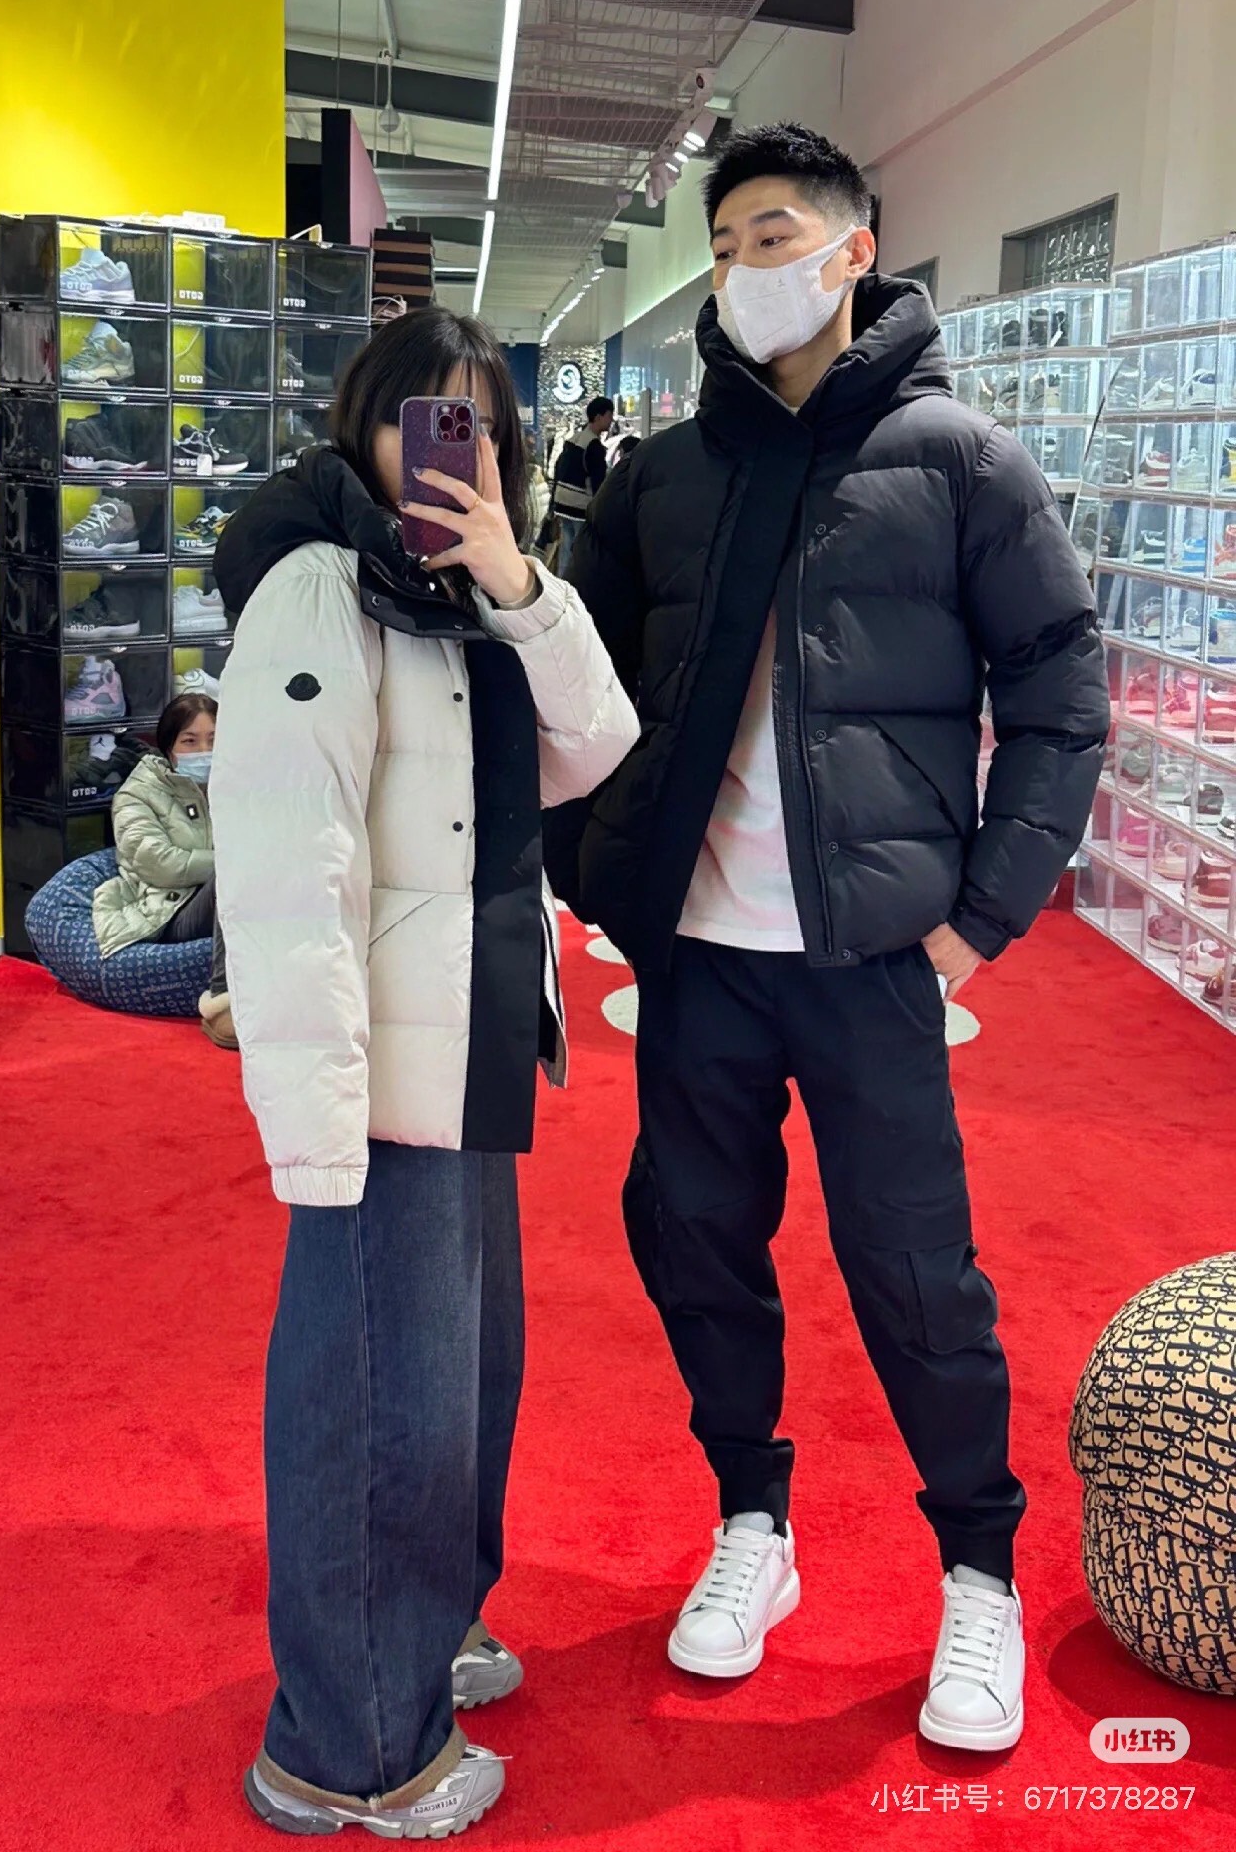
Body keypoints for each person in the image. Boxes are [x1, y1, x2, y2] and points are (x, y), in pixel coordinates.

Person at [545, 122, 1109, 1753]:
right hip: (698, 960)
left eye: (773, 237)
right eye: (725, 247)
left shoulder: (963, 462)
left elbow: (1062, 701)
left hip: (872, 962)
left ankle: (979, 1574)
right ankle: (753, 1521)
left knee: (917, 1275)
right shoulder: (664, 476)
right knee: (695, 1241)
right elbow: (576, 695)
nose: (744, 272)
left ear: (855, 251)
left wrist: (975, 923)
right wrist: (596, 876)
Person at [209, 307, 638, 1837]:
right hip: (383, 1080)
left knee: (459, 1391)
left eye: (482, 427)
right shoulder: (322, 589)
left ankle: (422, 1636)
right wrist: (318, 1127)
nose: (453, 452)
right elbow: (287, 873)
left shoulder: (462, 592)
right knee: (375, 1403)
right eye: (423, 419)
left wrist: (519, 581)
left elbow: (597, 742)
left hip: (470, 1048)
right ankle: (347, 1747)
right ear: (366, 425)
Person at [91, 692, 233, 1046]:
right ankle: (222, 1001)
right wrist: (237, 861)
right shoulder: (137, 795)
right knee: (232, 878)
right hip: (168, 910)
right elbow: (161, 865)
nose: (204, 750)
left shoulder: (236, 785)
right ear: (168, 747)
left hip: (220, 899)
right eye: (190, 741)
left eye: (213, 739)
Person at [550, 395, 614, 574]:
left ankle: (562, 581)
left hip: (562, 501)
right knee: (581, 550)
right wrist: (599, 509)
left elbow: (558, 469)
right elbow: (598, 482)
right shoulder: (594, 445)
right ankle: (577, 583)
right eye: (609, 415)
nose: (611, 420)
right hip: (579, 505)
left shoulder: (573, 439)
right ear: (599, 417)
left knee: (566, 547)